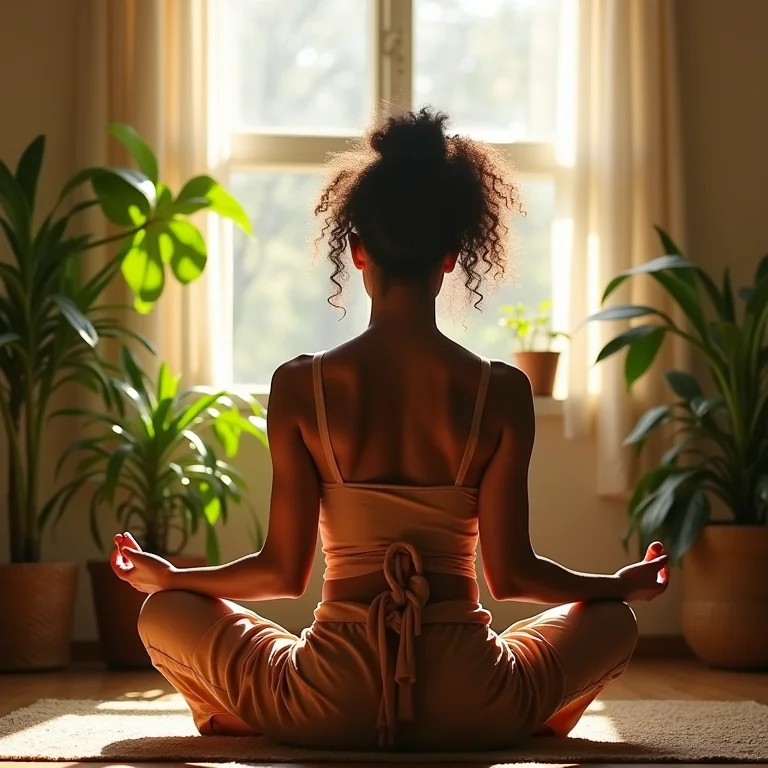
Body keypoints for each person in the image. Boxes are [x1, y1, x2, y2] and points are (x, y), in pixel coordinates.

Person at [111, 107, 670, 752]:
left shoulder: (302, 387)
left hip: (327, 699)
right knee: (613, 623)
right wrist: (615, 585)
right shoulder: (503, 392)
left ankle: (268, 727)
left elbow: (281, 574)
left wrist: (171, 578)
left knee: (163, 614)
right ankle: (515, 725)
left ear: (357, 250)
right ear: (454, 257)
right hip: (472, 699)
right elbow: (514, 577)